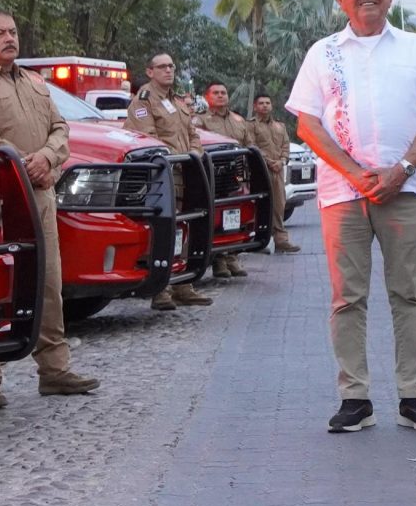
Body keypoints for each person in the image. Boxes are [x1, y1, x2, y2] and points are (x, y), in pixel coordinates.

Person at [284, 0, 416, 435]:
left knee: (409, 294)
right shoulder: (323, 54)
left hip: (407, 190)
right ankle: (354, 397)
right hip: (343, 194)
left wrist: (402, 169)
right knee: (347, 298)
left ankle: (414, 395)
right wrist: (357, 174)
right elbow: (307, 124)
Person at [0, 12, 101, 401]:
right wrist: (24, 162)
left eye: (13, 31)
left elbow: (61, 129)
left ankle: (55, 370)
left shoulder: (35, 82)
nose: (9, 38)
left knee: (48, 281)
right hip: (1, 196)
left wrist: (48, 159)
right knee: (0, 283)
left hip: (42, 192)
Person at [125, 54, 213, 312]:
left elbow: (192, 134)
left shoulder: (175, 101)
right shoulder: (144, 101)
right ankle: (161, 289)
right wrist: (176, 158)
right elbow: (147, 138)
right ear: (150, 72)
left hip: (186, 172)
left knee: (185, 226)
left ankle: (182, 283)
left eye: (171, 66)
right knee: (163, 229)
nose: (168, 70)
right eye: (162, 67)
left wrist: (194, 154)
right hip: (162, 176)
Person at [192, 81, 253, 280]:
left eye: (224, 92)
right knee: (216, 218)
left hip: (236, 176)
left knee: (236, 216)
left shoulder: (238, 120)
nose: (221, 96)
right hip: (214, 177)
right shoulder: (200, 121)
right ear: (207, 96)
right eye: (216, 93)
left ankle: (232, 256)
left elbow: (249, 145)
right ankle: (218, 259)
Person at [247, 94, 304, 255]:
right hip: (260, 171)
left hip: (278, 171)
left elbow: (285, 146)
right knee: (261, 205)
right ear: (255, 107)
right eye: (261, 103)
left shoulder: (280, 126)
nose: (265, 106)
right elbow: (251, 144)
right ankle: (260, 240)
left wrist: (282, 160)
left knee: (279, 205)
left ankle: (281, 240)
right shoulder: (250, 126)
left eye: (268, 103)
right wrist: (269, 161)